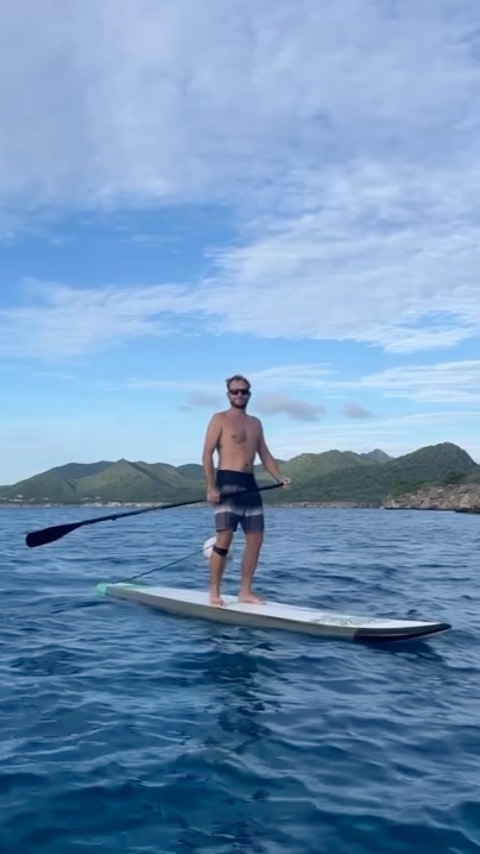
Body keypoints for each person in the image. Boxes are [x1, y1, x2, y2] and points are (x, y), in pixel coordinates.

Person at [202, 374, 291, 606]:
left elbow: (265, 454)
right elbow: (207, 454)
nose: (239, 395)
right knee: (224, 537)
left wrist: (280, 477)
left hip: (250, 483)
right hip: (227, 481)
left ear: (249, 394)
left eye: (243, 391)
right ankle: (214, 593)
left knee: (255, 538)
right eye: (235, 391)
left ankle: (245, 591)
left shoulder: (255, 423)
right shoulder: (219, 418)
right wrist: (211, 486)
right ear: (228, 394)